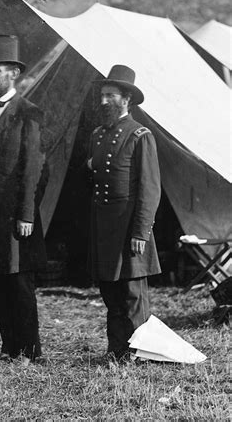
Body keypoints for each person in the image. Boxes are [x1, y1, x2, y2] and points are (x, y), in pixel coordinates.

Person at [0, 35, 47, 364]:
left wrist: (26, 215)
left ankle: (30, 350)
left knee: (18, 285)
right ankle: (9, 346)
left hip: (16, 218)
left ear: (14, 73)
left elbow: (33, 169)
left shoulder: (30, 113)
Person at [87, 65, 162, 363]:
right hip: (105, 227)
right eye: (102, 95)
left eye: (110, 95)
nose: (104, 101)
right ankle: (116, 349)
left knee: (132, 294)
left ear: (126, 98)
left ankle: (139, 351)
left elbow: (150, 188)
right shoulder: (97, 135)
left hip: (129, 227)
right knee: (111, 292)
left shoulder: (140, 135)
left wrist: (140, 232)